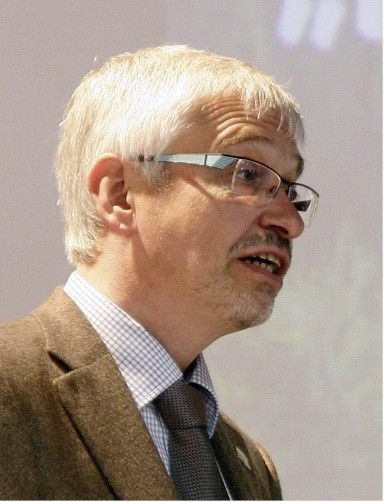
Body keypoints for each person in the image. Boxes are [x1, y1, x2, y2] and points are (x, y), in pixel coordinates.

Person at [0, 45, 318, 500]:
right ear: (121, 195)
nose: (290, 221)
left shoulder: (251, 467)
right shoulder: (9, 387)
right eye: (248, 174)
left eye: (291, 190)